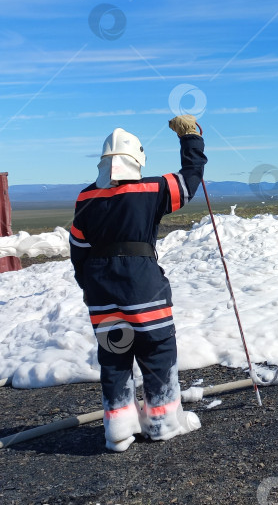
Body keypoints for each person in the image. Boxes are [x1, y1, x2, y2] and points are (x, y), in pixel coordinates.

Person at [69, 115, 207, 451]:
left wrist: (90, 286)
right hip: (143, 288)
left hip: (101, 294)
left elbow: (78, 251)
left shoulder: (85, 199)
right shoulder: (152, 188)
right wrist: (191, 138)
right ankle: (162, 423)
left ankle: (117, 430)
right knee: (156, 351)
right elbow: (190, 180)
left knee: (114, 357)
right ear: (137, 159)